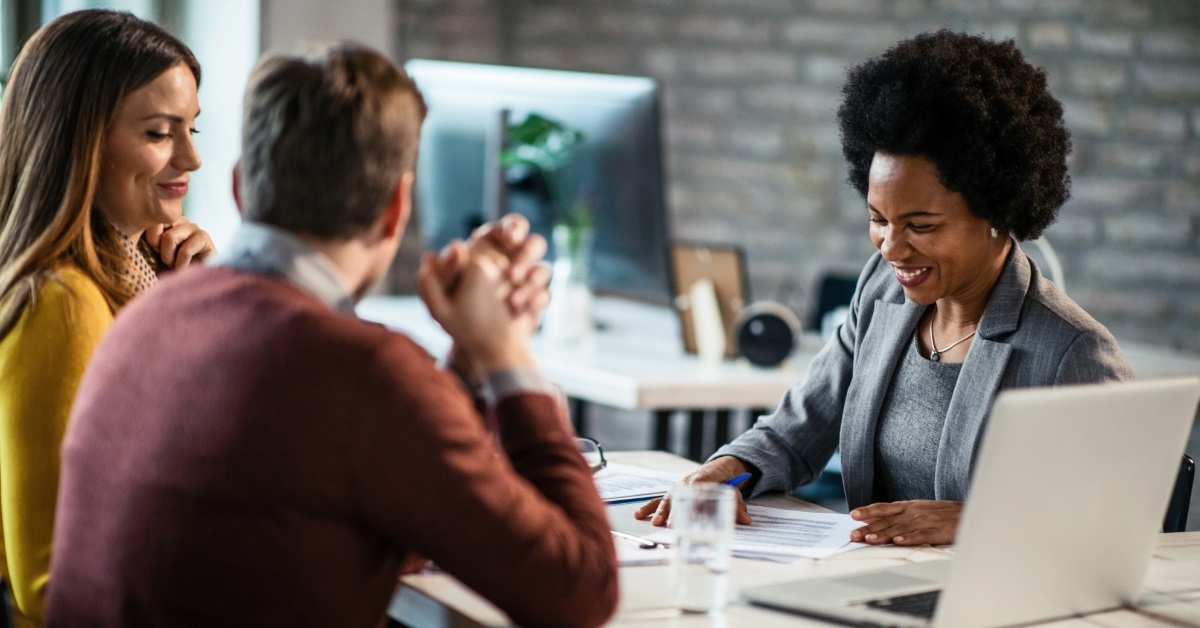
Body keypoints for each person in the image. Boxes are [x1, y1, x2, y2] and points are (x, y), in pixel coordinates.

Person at [45, 43, 618, 628]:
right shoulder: (365, 372)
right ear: (396, 208)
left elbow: (392, 502)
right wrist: (507, 354)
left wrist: (467, 363)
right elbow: (582, 593)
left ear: (242, 188)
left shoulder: (147, 313)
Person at [636, 30, 1132, 546]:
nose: (891, 248)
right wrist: (726, 469)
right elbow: (798, 427)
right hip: (872, 586)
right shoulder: (882, 292)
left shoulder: (1073, 352)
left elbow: (1115, 521)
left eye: (920, 226)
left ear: (996, 212)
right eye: (878, 219)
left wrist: (977, 520)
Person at [0, 10, 214, 625]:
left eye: (193, 128)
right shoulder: (61, 301)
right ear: (79, 140)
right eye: (159, 133)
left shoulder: (142, 270)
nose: (192, 158)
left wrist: (193, 303)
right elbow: (53, 581)